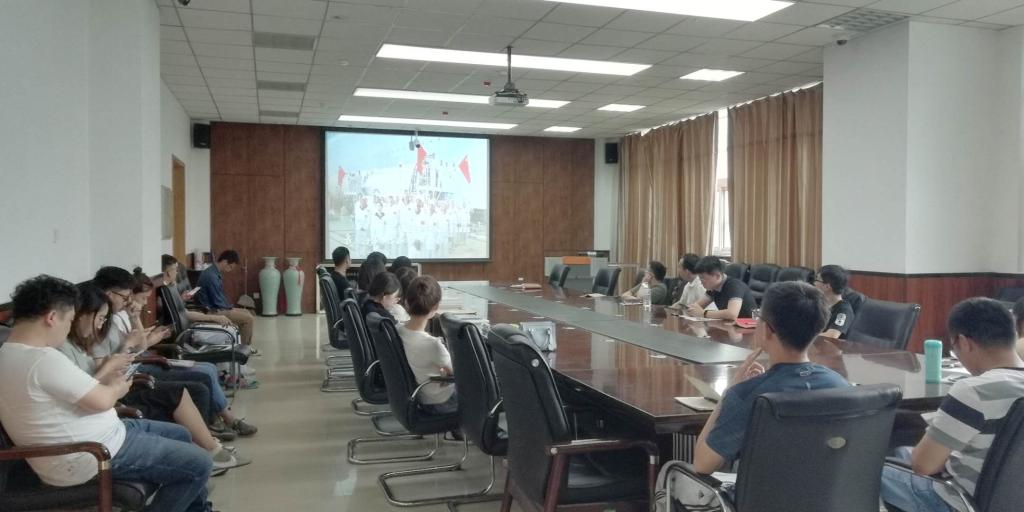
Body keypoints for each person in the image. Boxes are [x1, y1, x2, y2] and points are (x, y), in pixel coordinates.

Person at [0, 275, 214, 511]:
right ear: (51, 318)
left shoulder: (9, 354)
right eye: (69, 320)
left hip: (99, 438)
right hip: (89, 456)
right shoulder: (42, 360)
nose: (69, 328)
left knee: (182, 434)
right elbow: (102, 400)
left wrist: (108, 386)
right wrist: (118, 387)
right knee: (200, 464)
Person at [57, 283, 248, 471]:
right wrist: (114, 362)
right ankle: (209, 448)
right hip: (114, 397)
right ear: (83, 314)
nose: (101, 323)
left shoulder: (87, 339)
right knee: (185, 390)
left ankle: (207, 445)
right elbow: (89, 389)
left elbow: (124, 357)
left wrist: (135, 323)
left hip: (120, 383)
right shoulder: (67, 349)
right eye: (99, 318)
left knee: (198, 381)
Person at [692, 282, 849, 481]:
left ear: (766, 330)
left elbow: (702, 464)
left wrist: (728, 393)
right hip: (830, 494)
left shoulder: (749, 394)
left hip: (763, 495)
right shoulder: (841, 386)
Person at [881, 298, 1024, 512]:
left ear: (964, 342)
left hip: (958, 502)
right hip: (1011, 499)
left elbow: (923, 466)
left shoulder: (973, 390)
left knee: (869, 470)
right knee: (902, 452)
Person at [397, 276, 456, 414]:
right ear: (436, 307)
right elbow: (457, 373)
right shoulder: (433, 345)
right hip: (441, 401)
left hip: (421, 396)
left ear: (406, 302)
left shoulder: (397, 330)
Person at [195, 250, 256, 351]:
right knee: (248, 319)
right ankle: (243, 349)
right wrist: (230, 308)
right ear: (224, 262)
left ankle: (242, 344)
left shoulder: (213, 271)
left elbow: (219, 297)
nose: (230, 270)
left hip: (216, 307)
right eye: (230, 267)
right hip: (212, 310)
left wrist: (230, 307)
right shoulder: (211, 276)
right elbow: (217, 302)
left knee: (247, 312)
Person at [687, 256, 757, 321]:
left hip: (747, 327)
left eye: (703, 279)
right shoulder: (713, 287)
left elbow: (732, 314)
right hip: (729, 325)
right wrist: (693, 310)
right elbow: (697, 306)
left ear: (717, 276)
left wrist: (704, 313)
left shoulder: (734, 285)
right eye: (700, 279)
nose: (701, 283)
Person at [814, 265, 855, 339]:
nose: (814, 283)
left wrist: (804, 336)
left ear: (827, 286)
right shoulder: (818, 303)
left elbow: (832, 336)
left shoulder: (844, 310)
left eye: (817, 280)